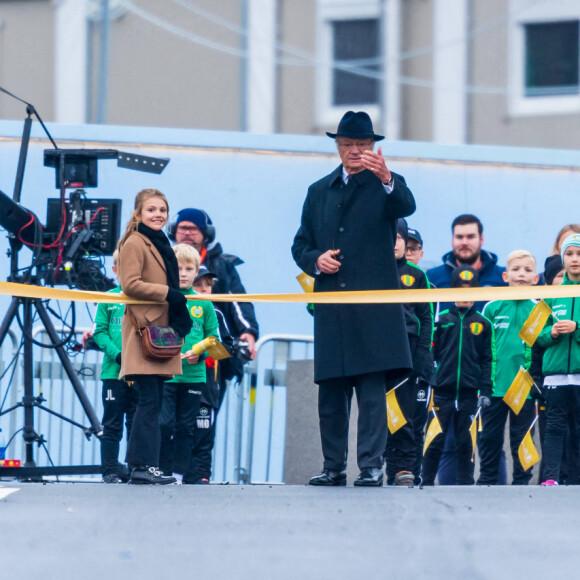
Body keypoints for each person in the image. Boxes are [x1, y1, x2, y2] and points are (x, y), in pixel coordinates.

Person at [291, 110, 416, 487]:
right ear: (338, 147)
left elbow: (406, 206)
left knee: (371, 392)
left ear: (374, 148)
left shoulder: (387, 185)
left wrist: (386, 177)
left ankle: (372, 465)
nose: (355, 151)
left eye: (362, 145)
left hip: (373, 308)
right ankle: (333, 466)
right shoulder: (318, 191)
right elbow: (300, 244)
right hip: (332, 306)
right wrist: (316, 260)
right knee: (331, 392)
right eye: (348, 145)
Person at [117, 188, 192, 485]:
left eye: (162, 209)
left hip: (160, 331)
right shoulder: (135, 242)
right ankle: (141, 466)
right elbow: (130, 284)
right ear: (138, 214)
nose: (158, 214)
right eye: (151, 209)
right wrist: (168, 294)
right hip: (144, 331)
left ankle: (145, 465)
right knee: (148, 402)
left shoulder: (157, 242)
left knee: (152, 402)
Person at [421, 265, 493, 486]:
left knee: (466, 443)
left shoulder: (483, 324)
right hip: (442, 393)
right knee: (435, 440)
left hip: (470, 395)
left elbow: (487, 359)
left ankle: (465, 485)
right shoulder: (441, 321)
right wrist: (432, 381)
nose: (464, 295)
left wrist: (486, 390)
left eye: (470, 290)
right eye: (460, 289)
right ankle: (426, 481)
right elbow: (432, 353)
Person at [158, 245, 220, 484]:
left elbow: (213, 337)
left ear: (197, 272)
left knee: (185, 427)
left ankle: (177, 474)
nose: (183, 273)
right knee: (164, 424)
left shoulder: (204, 304)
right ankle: (160, 470)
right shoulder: (163, 299)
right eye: (178, 268)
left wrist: (199, 352)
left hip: (194, 376)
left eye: (188, 268)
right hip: (167, 375)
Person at [477, 250, 539, 485]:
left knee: (522, 439)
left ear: (536, 278)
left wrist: (535, 384)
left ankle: (522, 482)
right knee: (489, 438)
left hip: (523, 387)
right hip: (494, 387)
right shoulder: (491, 308)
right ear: (505, 276)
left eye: (527, 270)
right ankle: (487, 480)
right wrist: (483, 384)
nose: (521, 274)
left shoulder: (538, 309)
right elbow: (483, 351)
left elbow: (540, 349)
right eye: (515, 269)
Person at [184, 265, 251, 484]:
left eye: (208, 285)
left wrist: (202, 351)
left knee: (204, 432)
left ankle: (202, 476)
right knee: (178, 430)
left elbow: (227, 346)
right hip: (179, 382)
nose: (204, 289)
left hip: (208, 387)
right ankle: (174, 473)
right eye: (198, 284)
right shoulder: (176, 309)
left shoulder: (217, 313)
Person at [168, 207, 259, 359]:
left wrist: (248, 331)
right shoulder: (162, 262)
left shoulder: (222, 266)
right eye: (183, 228)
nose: (187, 233)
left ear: (207, 233)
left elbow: (237, 302)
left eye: (194, 229)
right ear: (173, 231)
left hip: (213, 349)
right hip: (171, 345)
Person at [384, 219, 434, 486]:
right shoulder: (373, 271)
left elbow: (426, 317)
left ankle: (405, 469)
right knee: (381, 412)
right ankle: (381, 467)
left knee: (406, 413)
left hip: (409, 350)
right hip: (378, 350)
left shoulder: (416, 276)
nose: (394, 243)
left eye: (399, 238)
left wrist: (422, 352)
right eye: (389, 237)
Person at [536, 233, 580, 486]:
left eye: (579, 254)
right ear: (563, 257)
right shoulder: (550, 294)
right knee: (554, 429)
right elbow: (533, 335)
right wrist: (550, 333)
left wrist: (577, 327)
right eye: (569, 254)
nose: (574, 259)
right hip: (555, 377)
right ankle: (550, 478)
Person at [92, 250, 138, 483]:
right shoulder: (108, 298)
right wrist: (118, 355)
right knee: (112, 423)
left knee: (135, 422)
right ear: (115, 270)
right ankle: (110, 470)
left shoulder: (145, 298)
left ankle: (134, 469)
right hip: (113, 372)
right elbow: (100, 332)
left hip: (140, 372)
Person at [427, 214, 506, 312]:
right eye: (459, 237)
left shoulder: (503, 278)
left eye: (470, 237)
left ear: (481, 239)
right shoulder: (432, 278)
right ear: (452, 240)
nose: (464, 242)